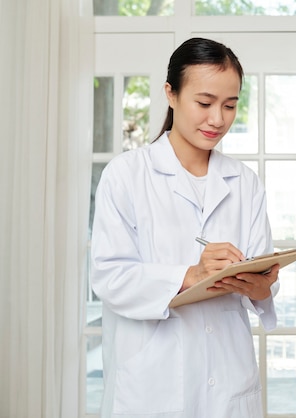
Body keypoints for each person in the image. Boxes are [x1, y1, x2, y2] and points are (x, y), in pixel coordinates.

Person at [91, 37, 279, 418]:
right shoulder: (127, 175)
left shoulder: (244, 182)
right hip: (152, 385)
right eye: (205, 103)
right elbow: (110, 277)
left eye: (230, 105)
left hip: (227, 380)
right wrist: (192, 274)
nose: (218, 119)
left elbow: (262, 274)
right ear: (171, 94)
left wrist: (262, 286)